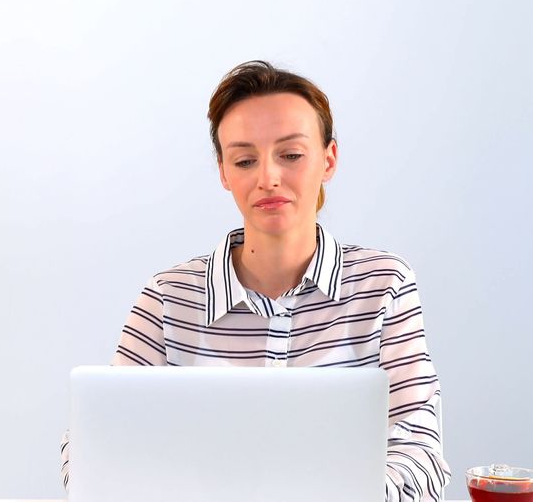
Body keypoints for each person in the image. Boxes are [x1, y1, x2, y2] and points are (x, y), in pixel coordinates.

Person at [61, 60, 451, 502]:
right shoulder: (168, 297)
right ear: (225, 173)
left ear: (328, 159)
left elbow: (419, 449)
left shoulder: (383, 286)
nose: (268, 178)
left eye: (291, 155)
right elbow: (95, 445)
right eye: (245, 160)